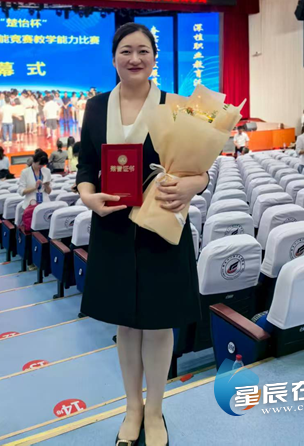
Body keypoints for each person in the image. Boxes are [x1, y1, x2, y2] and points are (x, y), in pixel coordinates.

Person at [77, 22, 205, 446]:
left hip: (160, 226)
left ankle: (155, 411)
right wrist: (88, 196)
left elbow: (200, 167)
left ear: (154, 57)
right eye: (126, 51)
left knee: (159, 323)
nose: (135, 58)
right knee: (127, 325)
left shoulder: (174, 105)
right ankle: (132, 408)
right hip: (113, 226)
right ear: (114, 57)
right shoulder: (96, 107)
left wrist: (193, 185)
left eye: (143, 51)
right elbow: (86, 166)